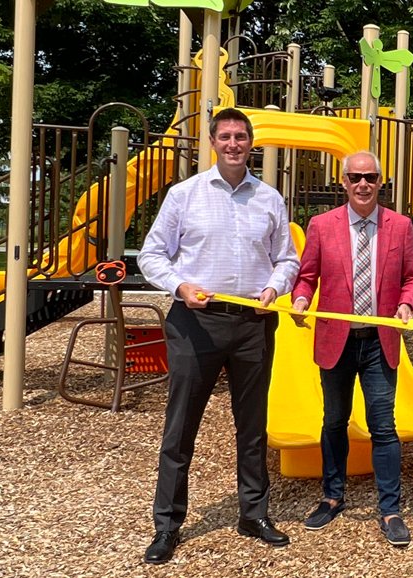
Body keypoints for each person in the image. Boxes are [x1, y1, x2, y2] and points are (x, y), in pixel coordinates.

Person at [138, 108, 301, 564]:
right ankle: (167, 525)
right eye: (225, 136)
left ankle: (253, 513)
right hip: (196, 322)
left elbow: (286, 258)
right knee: (180, 427)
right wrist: (180, 286)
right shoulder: (184, 195)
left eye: (241, 137)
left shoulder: (270, 198)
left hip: (253, 323)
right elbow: (152, 256)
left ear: (252, 144)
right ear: (213, 142)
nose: (234, 143)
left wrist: (276, 286)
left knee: (251, 426)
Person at [290, 151, 413, 547]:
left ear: (381, 182)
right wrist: (300, 299)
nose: (363, 184)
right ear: (344, 182)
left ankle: (391, 509)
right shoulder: (321, 225)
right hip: (336, 341)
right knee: (334, 421)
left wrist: (406, 303)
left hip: (378, 343)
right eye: (355, 177)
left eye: (370, 177)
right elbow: (307, 276)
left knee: (383, 426)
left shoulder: (399, 226)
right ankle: (332, 497)